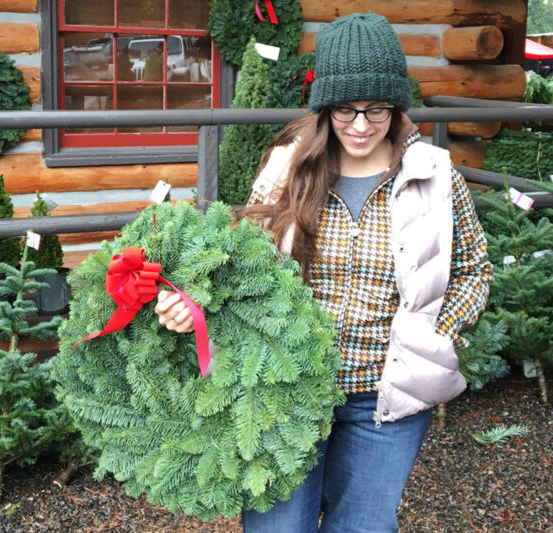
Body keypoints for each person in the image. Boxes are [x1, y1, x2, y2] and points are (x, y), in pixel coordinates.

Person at [155, 12, 492, 533]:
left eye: (375, 109)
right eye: (345, 110)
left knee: (363, 526)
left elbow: (474, 271)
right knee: (277, 527)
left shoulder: (435, 175)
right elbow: (242, 261)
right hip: (285, 390)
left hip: (386, 397)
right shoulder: (288, 167)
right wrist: (191, 301)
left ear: (395, 104)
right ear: (325, 106)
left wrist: (437, 334)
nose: (360, 125)